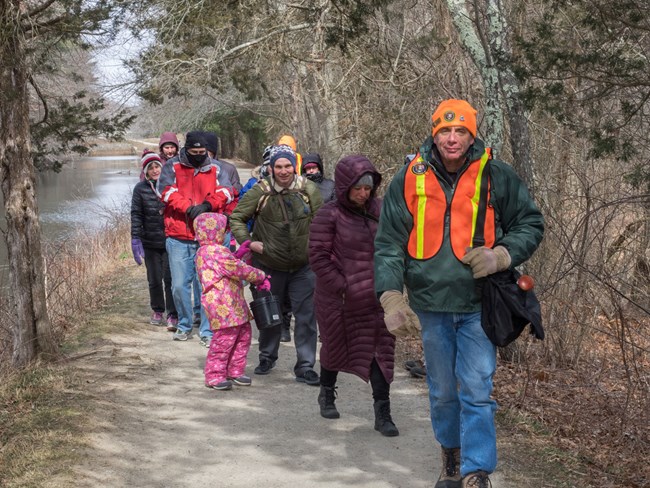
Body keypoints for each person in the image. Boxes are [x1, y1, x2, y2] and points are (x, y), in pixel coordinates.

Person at [374, 99, 544, 488]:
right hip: (430, 305)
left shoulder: (496, 176)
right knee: (444, 391)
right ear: (435, 133)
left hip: (479, 304)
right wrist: (390, 295)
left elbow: (530, 223)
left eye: (461, 131)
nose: (452, 138)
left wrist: (502, 254)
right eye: (445, 131)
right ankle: (450, 456)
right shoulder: (408, 178)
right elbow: (388, 243)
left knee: (478, 387)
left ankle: (476, 469)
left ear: (472, 134)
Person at [309, 155, 398, 437]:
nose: (363, 193)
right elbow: (318, 256)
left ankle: (383, 413)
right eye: (357, 188)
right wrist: (344, 285)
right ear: (345, 186)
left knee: (380, 352)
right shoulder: (329, 214)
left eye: (368, 188)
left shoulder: (382, 210)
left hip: (377, 300)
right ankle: (327, 393)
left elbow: (395, 248)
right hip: (340, 300)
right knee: (335, 347)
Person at [230, 144, 323, 385]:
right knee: (270, 314)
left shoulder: (308, 189)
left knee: (306, 317)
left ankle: (305, 366)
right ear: (271, 168)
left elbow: (323, 221)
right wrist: (249, 243)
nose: (283, 171)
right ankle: (267, 357)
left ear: (295, 166)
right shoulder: (260, 191)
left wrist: (319, 248)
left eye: (288, 166)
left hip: (303, 266)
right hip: (269, 265)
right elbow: (237, 218)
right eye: (279, 166)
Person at [157, 131, 236, 345]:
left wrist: (207, 205)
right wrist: (188, 208)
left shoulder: (215, 168)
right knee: (179, 285)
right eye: (195, 152)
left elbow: (228, 191)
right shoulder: (172, 167)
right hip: (179, 235)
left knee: (206, 285)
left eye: (203, 152)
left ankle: (207, 330)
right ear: (187, 150)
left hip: (207, 237)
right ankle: (184, 324)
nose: (201, 156)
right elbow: (164, 190)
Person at [194, 212, 271, 390]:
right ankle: (215, 375)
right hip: (224, 305)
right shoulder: (217, 251)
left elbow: (226, 267)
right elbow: (237, 269)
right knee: (225, 339)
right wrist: (260, 276)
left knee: (243, 333)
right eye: (223, 229)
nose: (226, 232)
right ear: (217, 231)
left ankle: (234, 370)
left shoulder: (204, 251)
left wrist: (237, 254)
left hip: (231, 302)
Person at [130, 151, 178, 330]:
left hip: (170, 240)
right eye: (151, 168)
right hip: (150, 241)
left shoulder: (171, 185)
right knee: (154, 279)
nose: (155, 170)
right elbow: (136, 214)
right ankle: (158, 310)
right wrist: (135, 238)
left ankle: (173, 314)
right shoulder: (140, 189)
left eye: (157, 166)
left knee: (170, 279)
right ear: (146, 171)